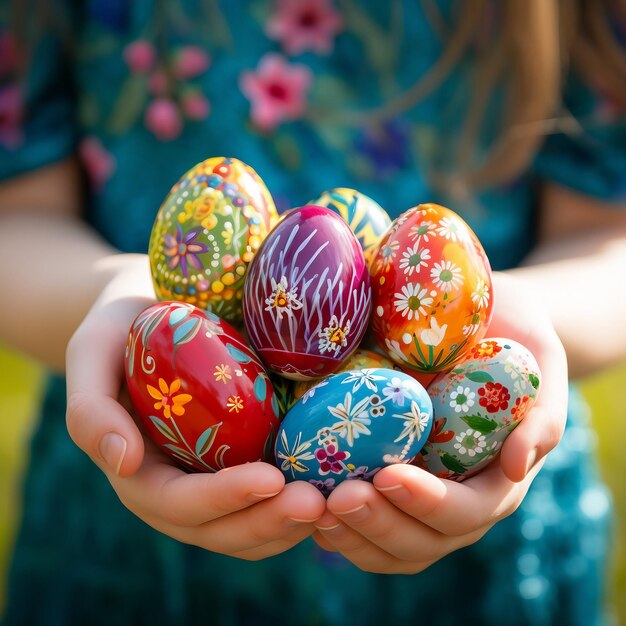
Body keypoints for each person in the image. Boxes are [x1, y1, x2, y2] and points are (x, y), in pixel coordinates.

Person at [0, 1, 625, 624]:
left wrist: (519, 320)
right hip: (134, 502)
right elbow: (18, 213)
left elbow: (606, 238)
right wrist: (117, 296)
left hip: (480, 527)